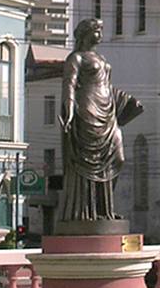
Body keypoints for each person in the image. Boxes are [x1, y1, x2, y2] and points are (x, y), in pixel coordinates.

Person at [59, 18, 143, 223]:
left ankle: (104, 209)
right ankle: (87, 213)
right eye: (97, 30)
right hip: (87, 110)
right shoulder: (76, 58)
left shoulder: (100, 57)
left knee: (117, 159)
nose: (100, 33)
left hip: (107, 110)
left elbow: (106, 85)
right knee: (88, 162)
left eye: (101, 29)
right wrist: (69, 110)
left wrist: (126, 102)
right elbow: (69, 85)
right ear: (86, 33)